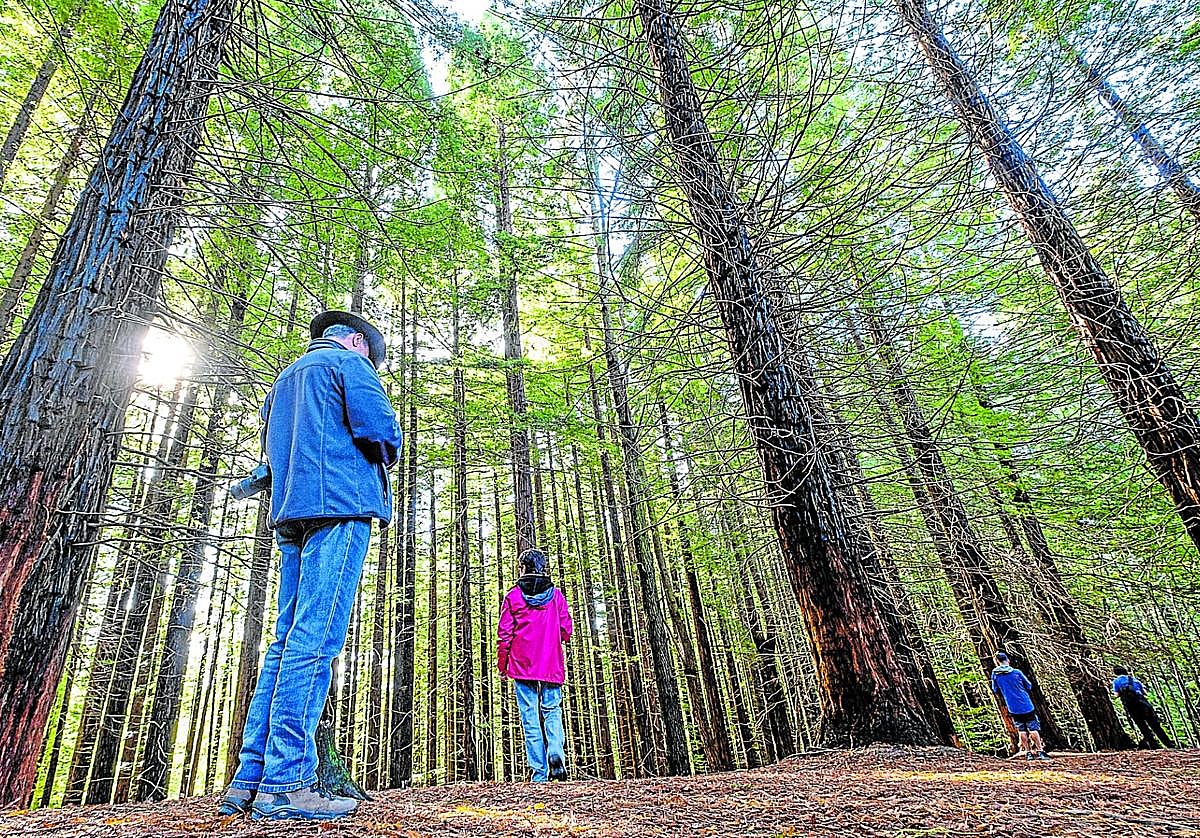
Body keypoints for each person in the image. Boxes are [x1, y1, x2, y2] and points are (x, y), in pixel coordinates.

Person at [220, 311, 403, 821]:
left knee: (284, 645)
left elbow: (273, 456)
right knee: (314, 642)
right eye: (373, 352)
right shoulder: (349, 364)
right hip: (340, 507)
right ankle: (286, 784)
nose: (373, 361)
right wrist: (391, 441)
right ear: (354, 340)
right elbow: (381, 432)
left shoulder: (283, 381)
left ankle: (248, 779)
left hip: (291, 515)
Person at [497, 548, 574, 782]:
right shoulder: (556, 596)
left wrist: (503, 665)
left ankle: (539, 773)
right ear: (542, 567)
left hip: (522, 666)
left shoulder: (513, 597)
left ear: (523, 568)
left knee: (529, 716)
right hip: (551, 664)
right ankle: (556, 753)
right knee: (552, 711)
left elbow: (504, 635)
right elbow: (566, 631)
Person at [990, 652, 1051, 761]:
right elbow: (1029, 685)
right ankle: (1040, 751)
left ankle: (1028, 753)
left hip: (1012, 707)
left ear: (997, 662)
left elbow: (995, 689)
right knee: (1033, 728)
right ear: (1007, 660)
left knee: (1021, 730)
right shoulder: (1017, 672)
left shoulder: (995, 675)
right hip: (1026, 705)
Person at [1112, 665, 1176, 748]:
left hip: (1132, 707)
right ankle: (1169, 744)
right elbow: (1144, 692)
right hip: (1143, 704)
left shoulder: (1116, 681)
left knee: (1142, 727)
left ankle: (1154, 745)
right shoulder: (1134, 680)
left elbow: (1116, 695)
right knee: (1155, 725)